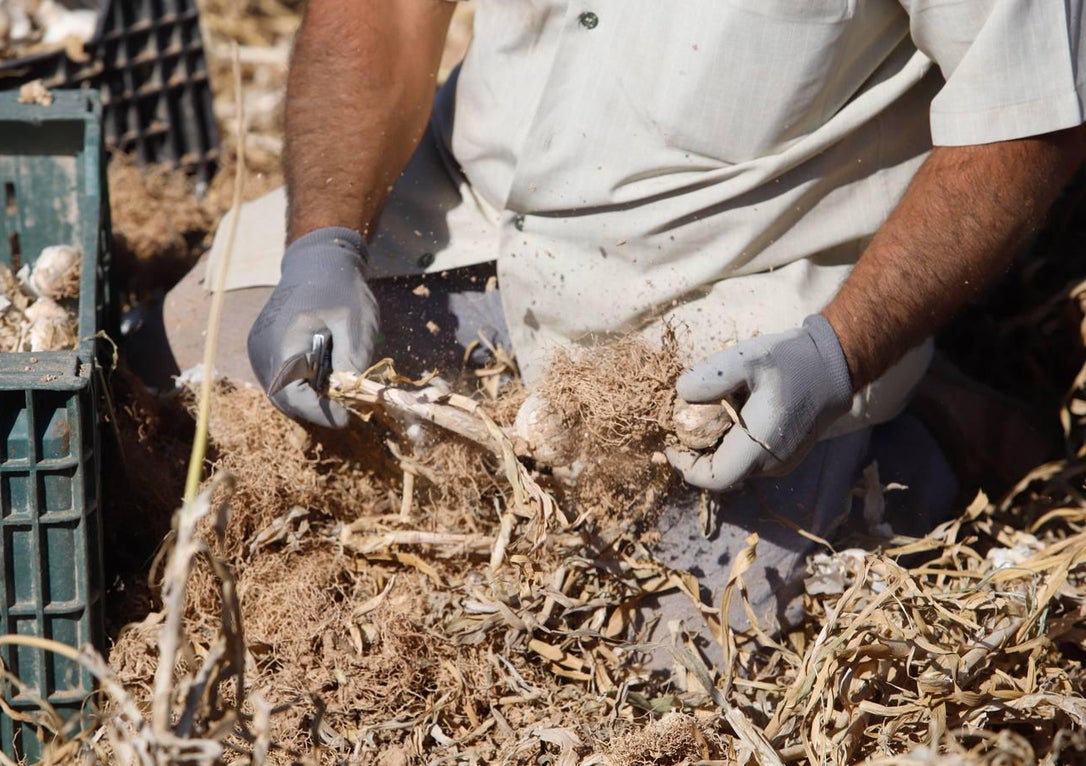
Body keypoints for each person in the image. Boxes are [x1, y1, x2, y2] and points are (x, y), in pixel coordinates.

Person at [162, 1, 1086, 667]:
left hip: (742, 289)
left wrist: (839, 349)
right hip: (473, 209)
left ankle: (914, 439)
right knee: (195, 376)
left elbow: (1025, 119)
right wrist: (327, 243)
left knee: (677, 652)